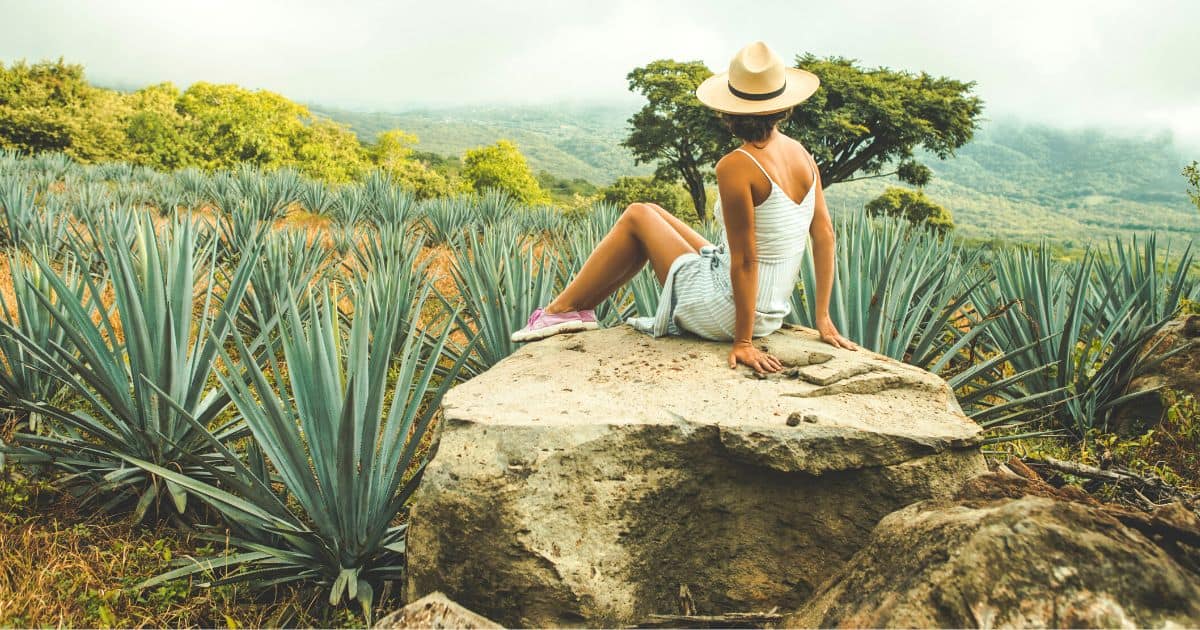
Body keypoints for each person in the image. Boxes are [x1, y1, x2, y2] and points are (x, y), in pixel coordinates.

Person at [510, 41, 858, 374]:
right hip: (770, 312)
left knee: (636, 215)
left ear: (730, 111)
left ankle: (562, 310)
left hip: (727, 311)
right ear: (784, 104)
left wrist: (743, 341)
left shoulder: (736, 165)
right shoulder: (802, 154)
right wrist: (823, 319)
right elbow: (824, 235)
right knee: (654, 212)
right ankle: (579, 311)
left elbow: (747, 259)